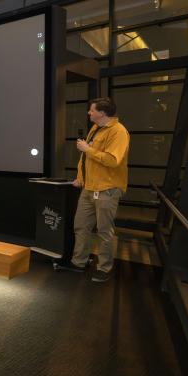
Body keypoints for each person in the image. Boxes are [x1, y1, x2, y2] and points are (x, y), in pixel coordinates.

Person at [57, 97, 130, 282]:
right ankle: (79, 262)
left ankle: (104, 268)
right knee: (81, 226)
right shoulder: (96, 128)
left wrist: (86, 149)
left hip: (107, 189)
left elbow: (112, 161)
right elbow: (86, 160)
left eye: (92, 110)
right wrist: (81, 178)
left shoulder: (118, 131)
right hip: (89, 188)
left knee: (104, 231)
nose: (89, 112)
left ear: (102, 113)